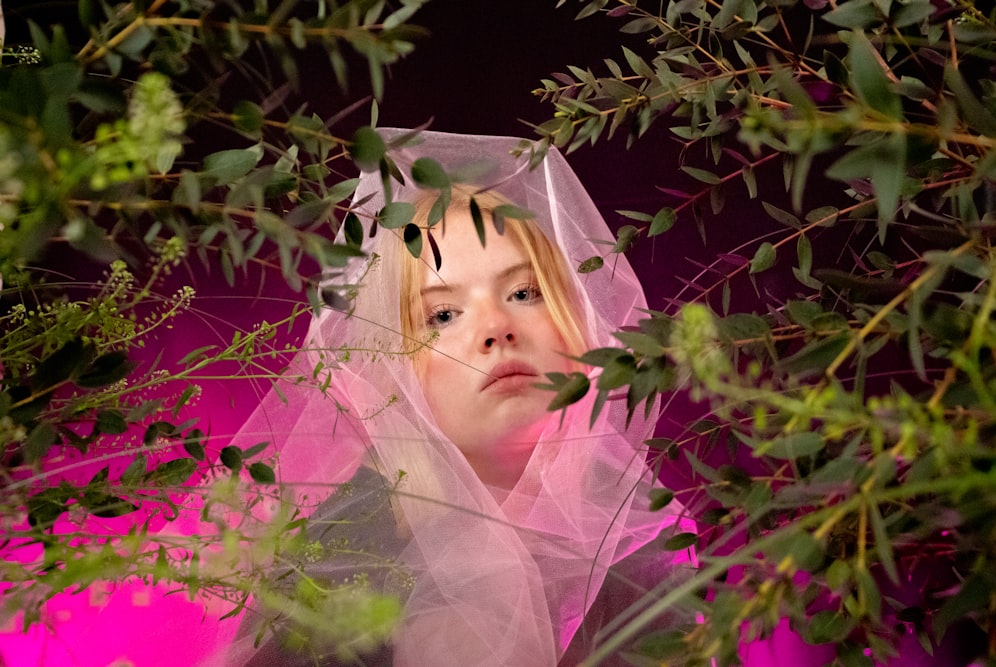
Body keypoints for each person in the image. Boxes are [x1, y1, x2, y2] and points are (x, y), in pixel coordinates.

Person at [225, 130, 693, 666]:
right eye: (443, 315)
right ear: (395, 367)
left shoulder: (638, 541)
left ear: (578, 323)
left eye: (523, 292)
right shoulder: (341, 558)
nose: (496, 327)